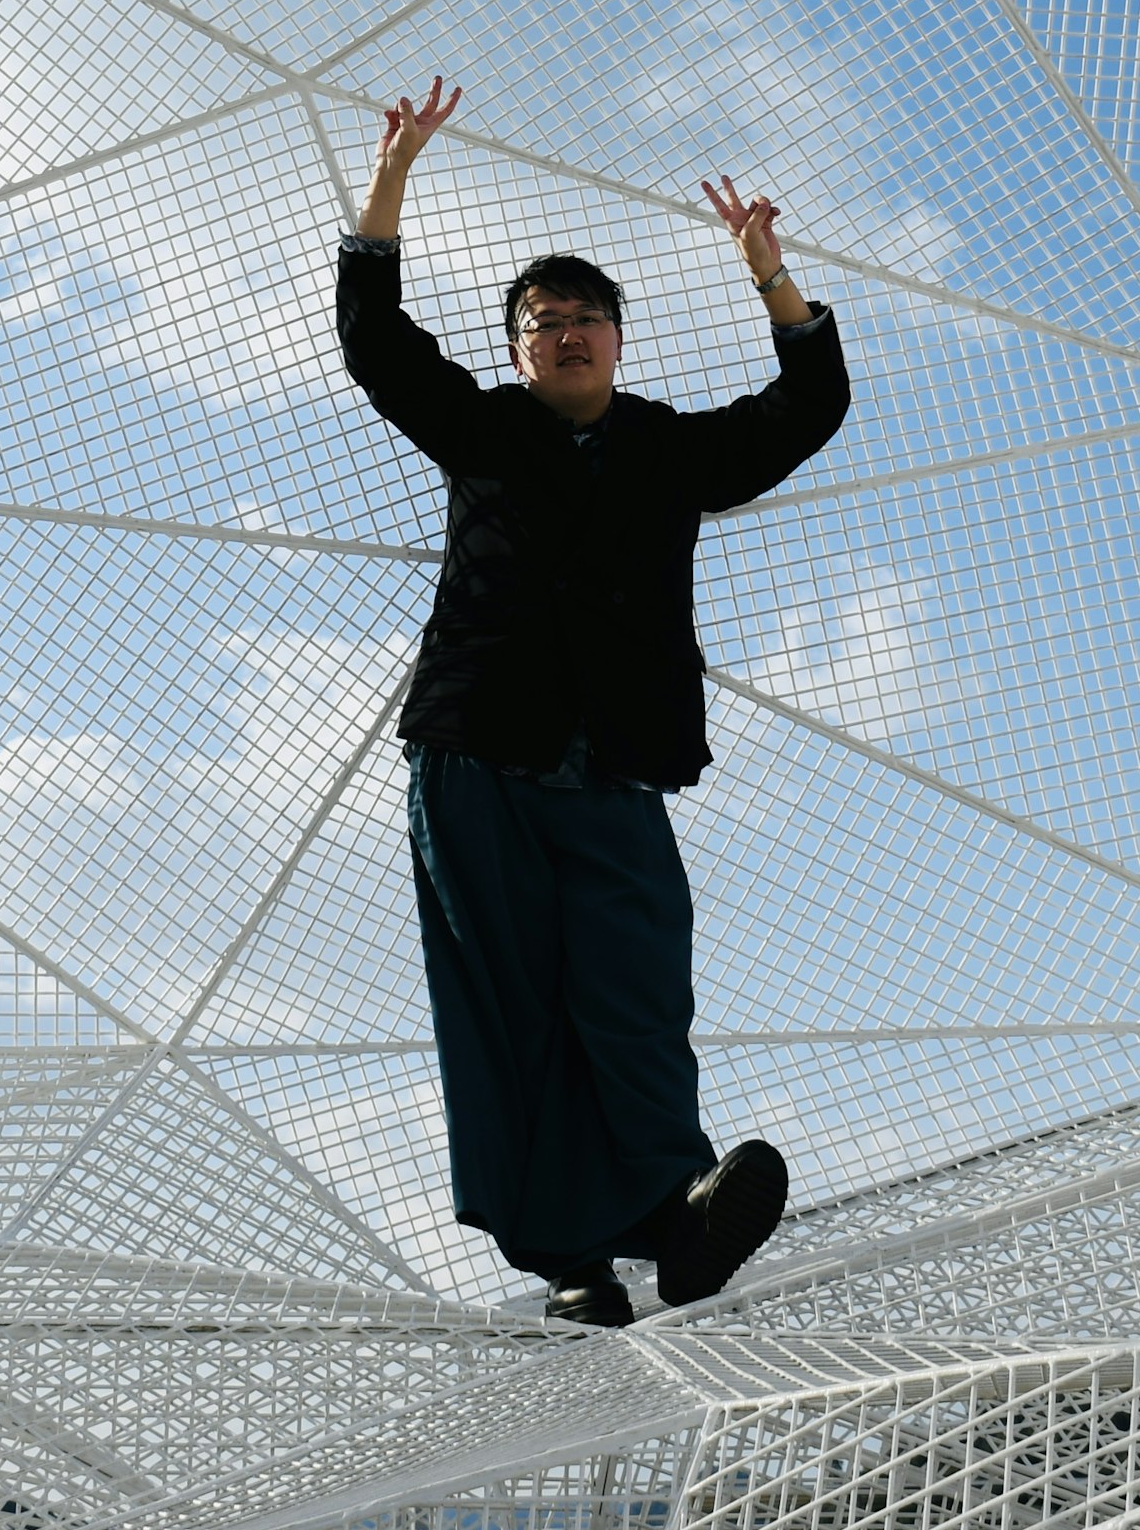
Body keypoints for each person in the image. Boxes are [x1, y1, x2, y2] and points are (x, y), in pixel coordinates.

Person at [333, 77, 852, 1327]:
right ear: (517, 348)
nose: (567, 332)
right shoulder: (486, 430)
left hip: (616, 761)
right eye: (543, 319)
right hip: (477, 752)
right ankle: (568, 1259)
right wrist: (392, 178)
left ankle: (677, 1214)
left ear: (621, 340)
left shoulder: (668, 449)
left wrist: (769, 276)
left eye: (587, 317)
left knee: (634, 980)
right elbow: (375, 341)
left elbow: (808, 407)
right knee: (507, 999)